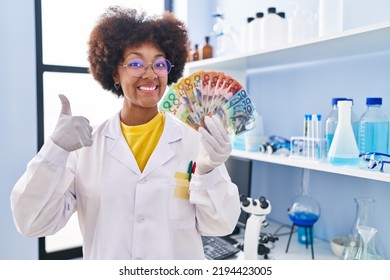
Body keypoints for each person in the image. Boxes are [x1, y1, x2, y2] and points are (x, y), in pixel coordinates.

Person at [10, 6, 241, 260]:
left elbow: (221, 225)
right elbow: (32, 222)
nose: (150, 73)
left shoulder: (194, 142)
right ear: (114, 74)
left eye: (159, 63)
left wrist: (207, 171)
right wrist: (55, 148)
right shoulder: (86, 148)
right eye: (135, 63)